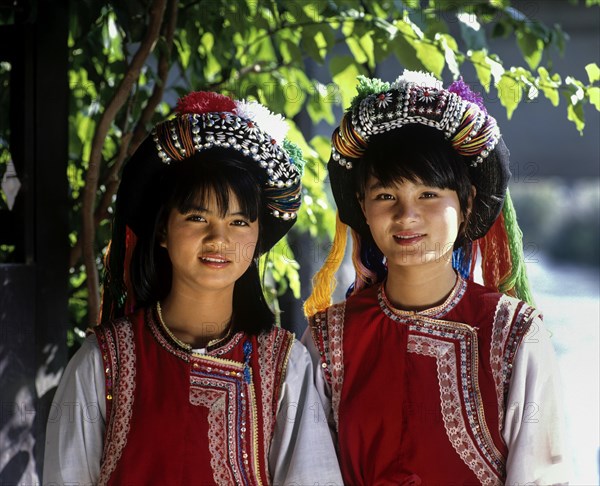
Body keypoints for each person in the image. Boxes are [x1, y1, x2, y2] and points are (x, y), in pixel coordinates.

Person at [44, 91, 343, 485]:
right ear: (164, 230)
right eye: (197, 217)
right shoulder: (101, 364)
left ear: (256, 238)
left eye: (238, 222)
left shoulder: (285, 367)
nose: (218, 239)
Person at [303, 71, 569, 485]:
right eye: (386, 196)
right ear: (363, 206)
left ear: (466, 204)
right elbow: (308, 473)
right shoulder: (328, 339)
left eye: (428, 195)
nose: (406, 216)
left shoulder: (514, 335)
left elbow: (540, 476)